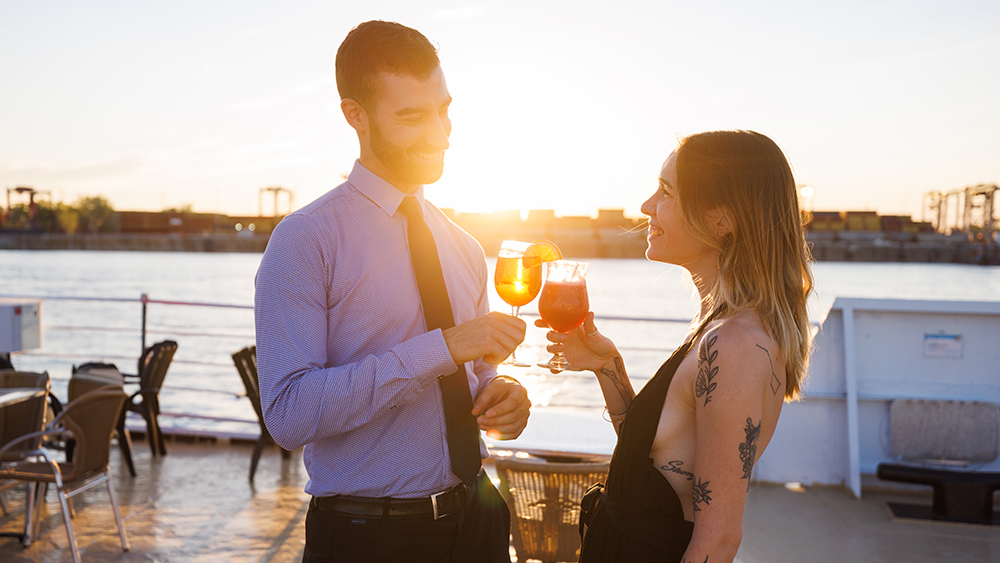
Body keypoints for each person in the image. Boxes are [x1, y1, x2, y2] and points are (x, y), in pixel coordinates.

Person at [254, 20, 530, 563]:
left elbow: (476, 373)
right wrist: (443, 347)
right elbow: (289, 415)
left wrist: (503, 399)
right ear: (354, 115)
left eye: (443, 109)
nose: (440, 133)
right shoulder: (306, 240)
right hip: (365, 537)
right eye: (412, 116)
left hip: (477, 521)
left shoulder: (464, 247)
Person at [538, 130, 814, 563]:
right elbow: (655, 466)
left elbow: (719, 540)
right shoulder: (718, 329)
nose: (647, 205)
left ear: (721, 219)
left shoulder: (734, 344)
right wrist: (607, 367)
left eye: (665, 191)